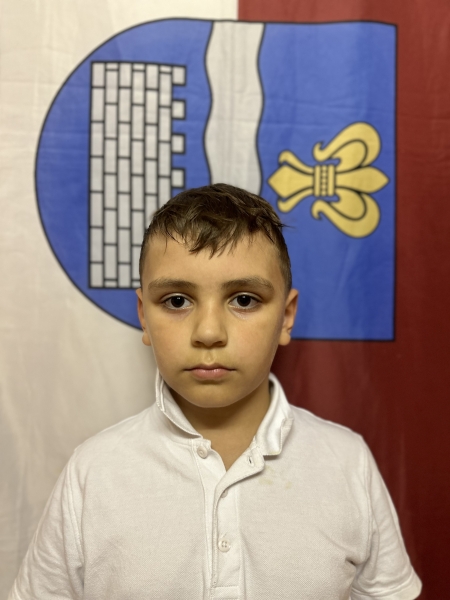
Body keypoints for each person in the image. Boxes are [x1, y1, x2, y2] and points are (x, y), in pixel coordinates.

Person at [9, 184, 422, 599]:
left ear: (285, 317)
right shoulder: (93, 473)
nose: (208, 332)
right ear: (144, 316)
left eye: (243, 299)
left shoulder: (346, 462)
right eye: (176, 301)